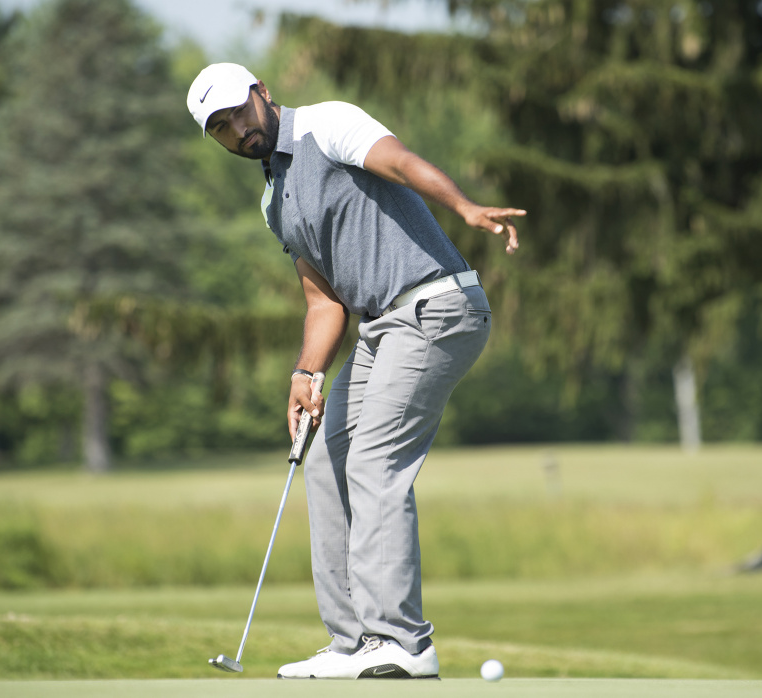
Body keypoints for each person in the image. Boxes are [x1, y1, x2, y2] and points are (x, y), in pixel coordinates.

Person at [186, 63, 525, 679]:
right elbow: (324, 303)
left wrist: (465, 206)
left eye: (240, 112)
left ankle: (403, 641)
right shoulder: (275, 203)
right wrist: (304, 374)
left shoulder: (326, 125)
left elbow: (400, 162)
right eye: (221, 128)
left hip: (436, 306)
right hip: (379, 328)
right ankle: (353, 643)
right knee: (324, 455)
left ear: (262, 93)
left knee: (374, 461)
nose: (238, 130)